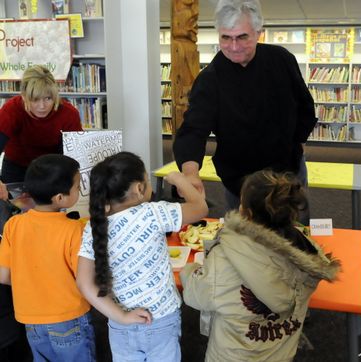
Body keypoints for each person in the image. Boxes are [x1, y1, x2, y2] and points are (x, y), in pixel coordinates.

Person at [180, 169, 341, 362]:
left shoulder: (224, 259)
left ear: (244, 211)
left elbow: (195, 296)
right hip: (281, 354)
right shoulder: (308, 254)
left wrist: (188, 271)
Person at [173, 0, 317, 213]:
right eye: (226, 38)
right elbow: (194, 129)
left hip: (287, 171)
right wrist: (190, 173)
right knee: (244, 238)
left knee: (294, 233)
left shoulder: (282, 60)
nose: (233, 46)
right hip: (240, 178)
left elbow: (304, 105)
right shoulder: (210, 79)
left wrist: (298, 141)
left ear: (258, 32)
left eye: (242, 37)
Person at [76, 151, 208, 362]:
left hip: (119, 323)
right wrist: (180, 180)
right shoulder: (153, 213)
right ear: (139, 188)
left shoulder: (94, 227)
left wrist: (120, 316)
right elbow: (201, 208)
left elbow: (84, 283)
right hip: (161, 319)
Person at [0, 154, 131, 362]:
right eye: (78, 187)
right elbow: (86, 278)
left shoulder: (13, 225)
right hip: (69, 319)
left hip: (30, 320)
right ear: (60, 198)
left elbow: (4, 275)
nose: (80, 190)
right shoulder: (74, 230)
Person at [0, 64, 83, 183]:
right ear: (24, 96)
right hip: (16, 167)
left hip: (53, 169)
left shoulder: (69, 113)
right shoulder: (11, 109)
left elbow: (75, 156)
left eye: (48, 98)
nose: (42, 106)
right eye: (35, 100)